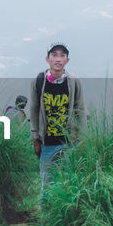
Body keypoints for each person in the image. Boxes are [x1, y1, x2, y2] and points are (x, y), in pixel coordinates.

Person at [29, 43, 85, 193]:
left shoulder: (73, 82)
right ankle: (46, 215)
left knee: (69, 182)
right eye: (54, 55)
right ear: (48, 59)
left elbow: (80, 110)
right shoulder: (39, 81)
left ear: (67, 60)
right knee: (47, 184)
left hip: (69, 142)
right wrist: (35, 138)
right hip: (47, 143)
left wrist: (81, 139)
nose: (58, 59)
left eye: (62, 55)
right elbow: (34, 109)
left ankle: (63, 215)